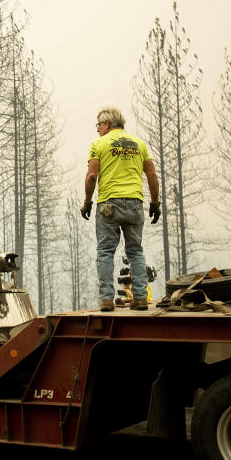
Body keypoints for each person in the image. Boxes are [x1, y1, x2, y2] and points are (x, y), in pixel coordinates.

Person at [80, 107, 160, 311]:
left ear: (107, 124)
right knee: (135, 251)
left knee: (105, 251)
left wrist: (87, 202)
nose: (97, 129)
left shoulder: (98, 144)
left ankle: (106, 299)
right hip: (134, 203)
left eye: (98, 125)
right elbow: (151, 173)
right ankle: (141, 297)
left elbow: (91, 176)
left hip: (108, 205)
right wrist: (155, 203)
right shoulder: (139, 144)